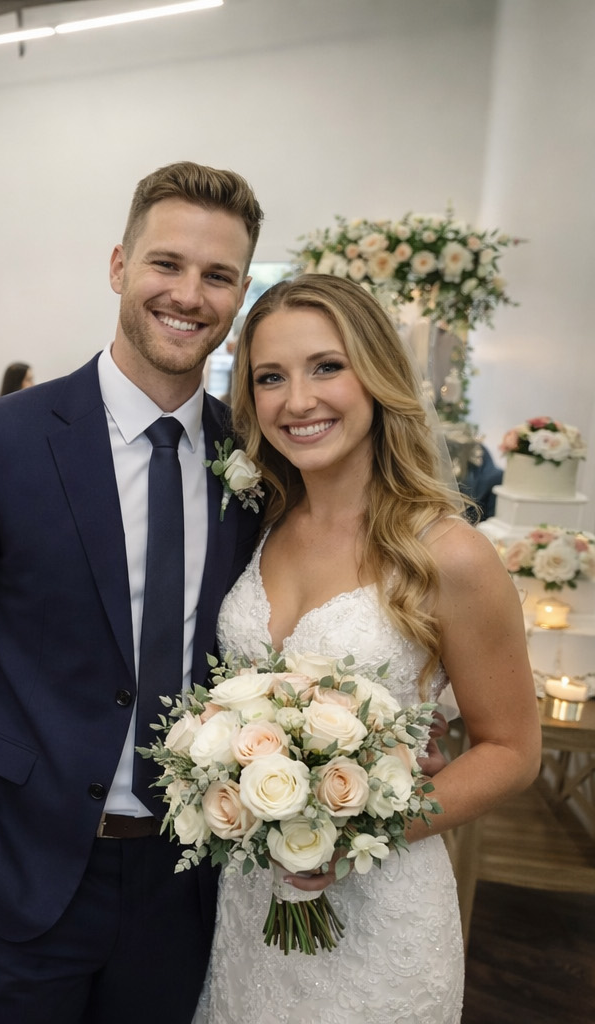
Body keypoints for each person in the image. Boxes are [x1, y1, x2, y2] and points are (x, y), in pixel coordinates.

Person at [0, 162, 269, 1022]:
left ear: (241, 293)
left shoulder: (258, 464)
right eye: (166, 263)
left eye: (218, 276)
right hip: (19, 865)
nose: (189, 294)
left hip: (186, 877)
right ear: (118, 266)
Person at [197, 274, 539, 1022]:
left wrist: (354, 830)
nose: (298, 400)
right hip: (250, 904)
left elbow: (513, 749)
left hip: (379, 917)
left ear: (377, 375)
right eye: (270, 378)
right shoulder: (260, 525)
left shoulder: (449, 553)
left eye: (327, 366)